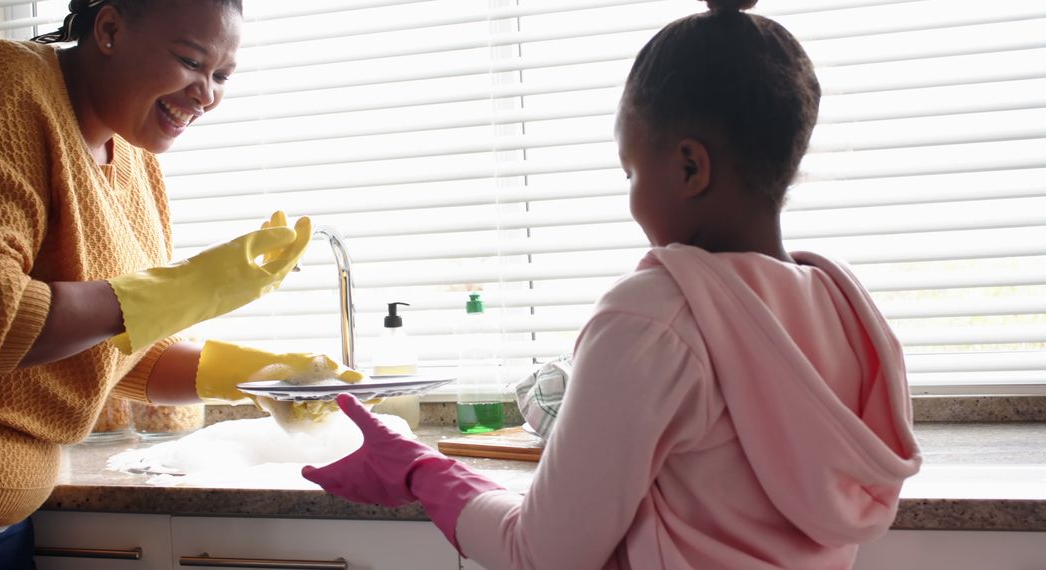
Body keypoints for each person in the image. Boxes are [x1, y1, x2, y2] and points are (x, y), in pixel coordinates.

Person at [301, 0, 923, 568]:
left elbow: (542, 554)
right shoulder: (845, 311)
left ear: (688, 166)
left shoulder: (657, 313)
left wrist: (418, 469)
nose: (630, 198)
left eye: (630, 170)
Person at [0, 1, 357, 567]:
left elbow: (118, 346)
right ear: (109, 29)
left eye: (222, 75)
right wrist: (188, 288)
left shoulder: (137, 160)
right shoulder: (2, 81)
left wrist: (264, 377)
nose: (207, 93)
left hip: (7, 523)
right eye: (190, 61)